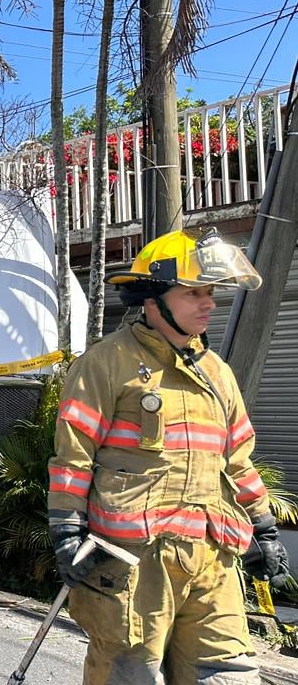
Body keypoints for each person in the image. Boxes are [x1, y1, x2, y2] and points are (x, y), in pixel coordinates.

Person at [48, 227, 293, 684]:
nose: (209, 303)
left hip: (212, 558)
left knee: (229, 672)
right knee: (130, 672)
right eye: (194, 293)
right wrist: (66, 530)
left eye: (212, 293)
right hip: (133, 563)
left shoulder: (217, 374)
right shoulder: (107, 363)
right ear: (154, 297)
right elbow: (73, 456)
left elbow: (238, 458)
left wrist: (264, 528)